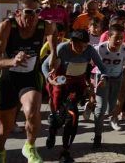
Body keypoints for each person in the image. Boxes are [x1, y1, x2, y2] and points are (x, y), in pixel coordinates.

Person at [0, 0, 56, 163]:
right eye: (28, 12)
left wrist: (54, 53)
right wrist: (13, 61)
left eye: (37, 11)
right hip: (9, 79)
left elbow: (54, 31)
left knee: (33, 111)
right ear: (18, 12)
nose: (33, 16)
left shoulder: (44, 25)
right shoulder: (6, 27)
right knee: (6, 127)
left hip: (30, 77)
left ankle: (30, 146)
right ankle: (0, 150)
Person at [43, 30, 108, 163]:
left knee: (72, 116)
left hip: (77, 87)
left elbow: (102, 67)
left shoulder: (89, 50)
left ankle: (65, 151)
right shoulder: (62, 48)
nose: (81, 49)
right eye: (78, 46)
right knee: (59, 118)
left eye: (84, 46)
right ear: (71, 42)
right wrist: (50, 79)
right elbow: (44, 66)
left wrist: (103, 77)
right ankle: (52, 129)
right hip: (60, 86)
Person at [93, 25, 125, 147]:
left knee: (111, 107)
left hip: (117, 78)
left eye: (122, 38)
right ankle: (97, 135)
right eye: (116, 38)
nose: (119, 41)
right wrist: (91, 83)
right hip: (102, 79)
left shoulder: (124, 49)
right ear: (109, 37)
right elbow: (90, 65)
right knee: (100, 108)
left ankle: (112, 118)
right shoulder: (100, 48)